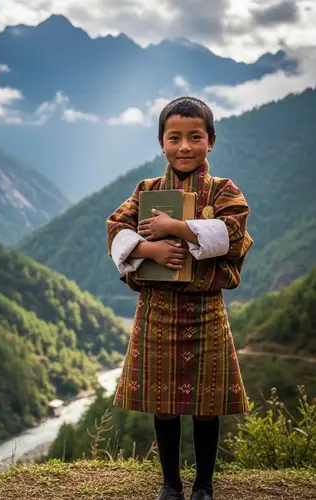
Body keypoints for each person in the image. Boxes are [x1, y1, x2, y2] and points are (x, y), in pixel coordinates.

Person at [106, 96, 253, 500]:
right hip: (158, 310)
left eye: (195, 137)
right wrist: (149, 251)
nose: (184, 147)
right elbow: (116, 228)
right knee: (164, 402)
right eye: (174, 138)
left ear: (211, 141)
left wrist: (177, 227)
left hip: (206, 310)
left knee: (207, 405)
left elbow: (233, 235)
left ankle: (204, 486)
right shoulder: (147, 190)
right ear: (161, 142)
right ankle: (170, 484)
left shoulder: (224, 191)